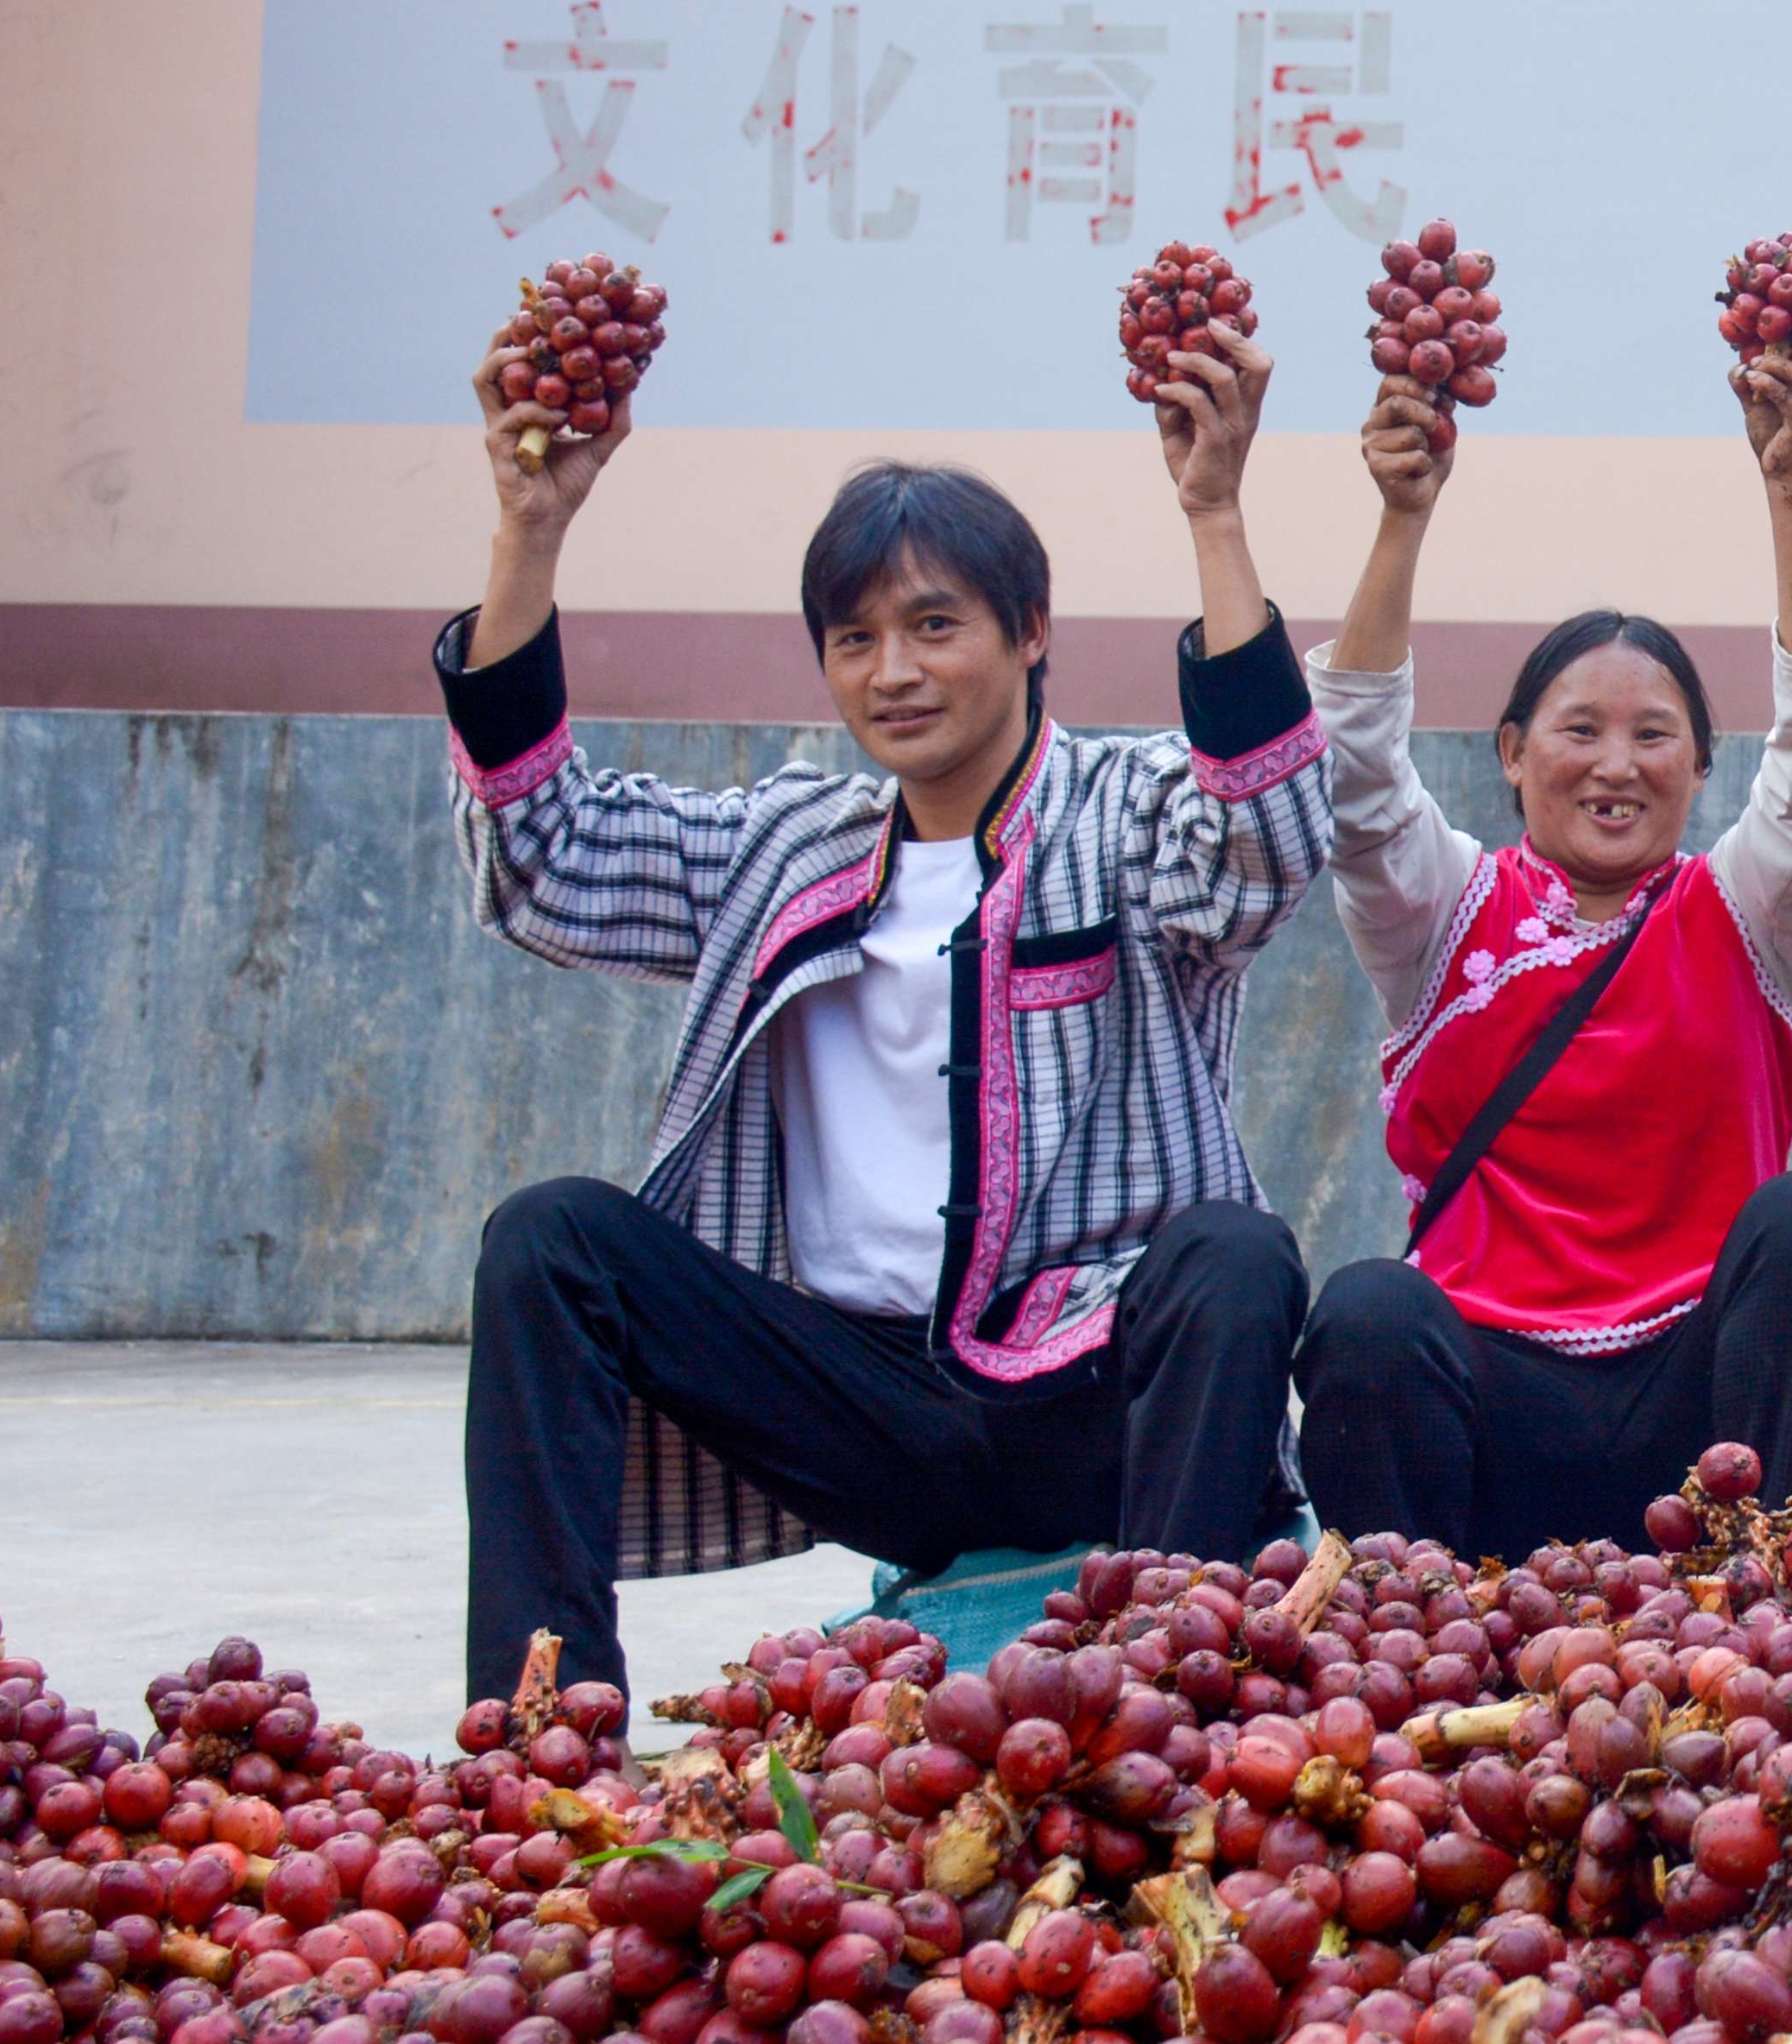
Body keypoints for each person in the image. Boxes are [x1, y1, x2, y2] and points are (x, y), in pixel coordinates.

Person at [442, 322, 1328, 1702]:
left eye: (933, 625)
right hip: (867, 1408)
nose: (893, 671)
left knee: (1233, 1254)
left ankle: (1177, 1702)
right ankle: (543, 1714)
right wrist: (527, 533)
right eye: (854, 639)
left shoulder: (1123, 809)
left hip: (1089, 1381)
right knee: (552, 1237)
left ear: (1029, 632)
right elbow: (542, 858)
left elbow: (1264, 835)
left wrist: (1213, 509)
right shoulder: (789, 844)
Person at [1286, 328, 1792, 1561]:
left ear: (1704, 768)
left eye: (1655, 733)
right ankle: (1402, 1636)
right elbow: (1356, 776)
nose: (1616, 762)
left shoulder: (1749, 908)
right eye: (1578, 728)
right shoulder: (1441, 910)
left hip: (1696, 1415)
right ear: (1509, 751)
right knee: (1365, 1313)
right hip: (1491, 1399)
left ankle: (1776, 1614)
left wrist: (1790, 487)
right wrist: (1401, 516)